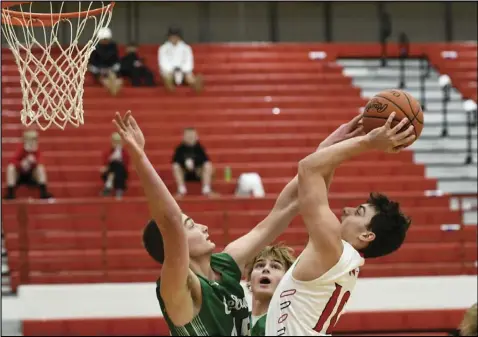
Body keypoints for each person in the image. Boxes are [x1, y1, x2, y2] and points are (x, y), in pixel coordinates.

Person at [112, 110, 362, 336]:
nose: (203, 227)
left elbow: (285, 207)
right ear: (175, 244)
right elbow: (170, 221)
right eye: (192, 226)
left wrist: (326, 150)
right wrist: (140, 158)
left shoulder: (226, 264)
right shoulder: (178, 288)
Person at [265, 112, 415, 336]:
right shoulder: (341, 258)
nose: (346, 210)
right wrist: (329, 147)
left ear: (366, 235)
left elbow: (309, 169)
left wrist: (368, 142)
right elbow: (313, 177)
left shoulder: (334, 250)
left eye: (359, 212)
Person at [247, 244, 295, 336]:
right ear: (249, 280)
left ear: (287, 281)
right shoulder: (234, 320)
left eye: (275, 266)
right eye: (260, 265)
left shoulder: (290, 324)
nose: (265, 269)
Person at [4, 130, 53, 200]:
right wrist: (21, 164)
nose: (32, 143)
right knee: (10, 168)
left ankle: (43, 192)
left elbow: (41, 162)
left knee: (40, 168)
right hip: (20, 175)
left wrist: (34, 162)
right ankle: (10, 193)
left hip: (32, 177)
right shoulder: (21, 150)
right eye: (30, 141)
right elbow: (11, 161)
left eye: (34, 141)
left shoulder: (37, 152)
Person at [158, 26, 202, 92]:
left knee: (189, 77)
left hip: (183, 71)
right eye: (172, 36)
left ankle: (195, 82)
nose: (173, 38)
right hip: (169, 71)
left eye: (175, 36)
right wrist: (172, 69)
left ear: (179, 37)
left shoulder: (186, 48)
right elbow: (163, 61)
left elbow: (188, 60)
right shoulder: (163, 48)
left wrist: (183, 69)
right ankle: (169, 85)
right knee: (167, 76)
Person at [172, 127, 214, 197]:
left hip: (197, 172)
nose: (190, 138)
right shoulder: (180, 148)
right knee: (175, 166)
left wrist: (194, 163)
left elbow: (205, 160)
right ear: (184, 137)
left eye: (192, 136)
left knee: (208, 165)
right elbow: (175, 161)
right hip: (185, 173)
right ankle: (181, 190)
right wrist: (185, 163)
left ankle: (206, 189)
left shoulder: (199, 148)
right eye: (188, 136)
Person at [88, 27, 123, 96]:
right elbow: (91, 63)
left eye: (106, 39)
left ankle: (114, 85)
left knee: (113, 77)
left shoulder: (113, 46)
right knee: (106, 80)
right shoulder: (94, 47)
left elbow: (116, 60)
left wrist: (112, 69)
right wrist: (99, 70)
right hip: (99, 70)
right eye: (103, 39)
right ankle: (112, 87)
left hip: (110, 69)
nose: (105, 41)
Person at [100, 132, 129, 199]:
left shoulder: (124, 153)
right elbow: (105, 165)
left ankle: (108, 185)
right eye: (115, 141)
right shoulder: (108, 152)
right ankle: (118, 189)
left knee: (118, 166)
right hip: (109, 171)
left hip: (121, 173)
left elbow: (126, 165)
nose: (116, 143)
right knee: (114, 166)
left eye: (118, 141)